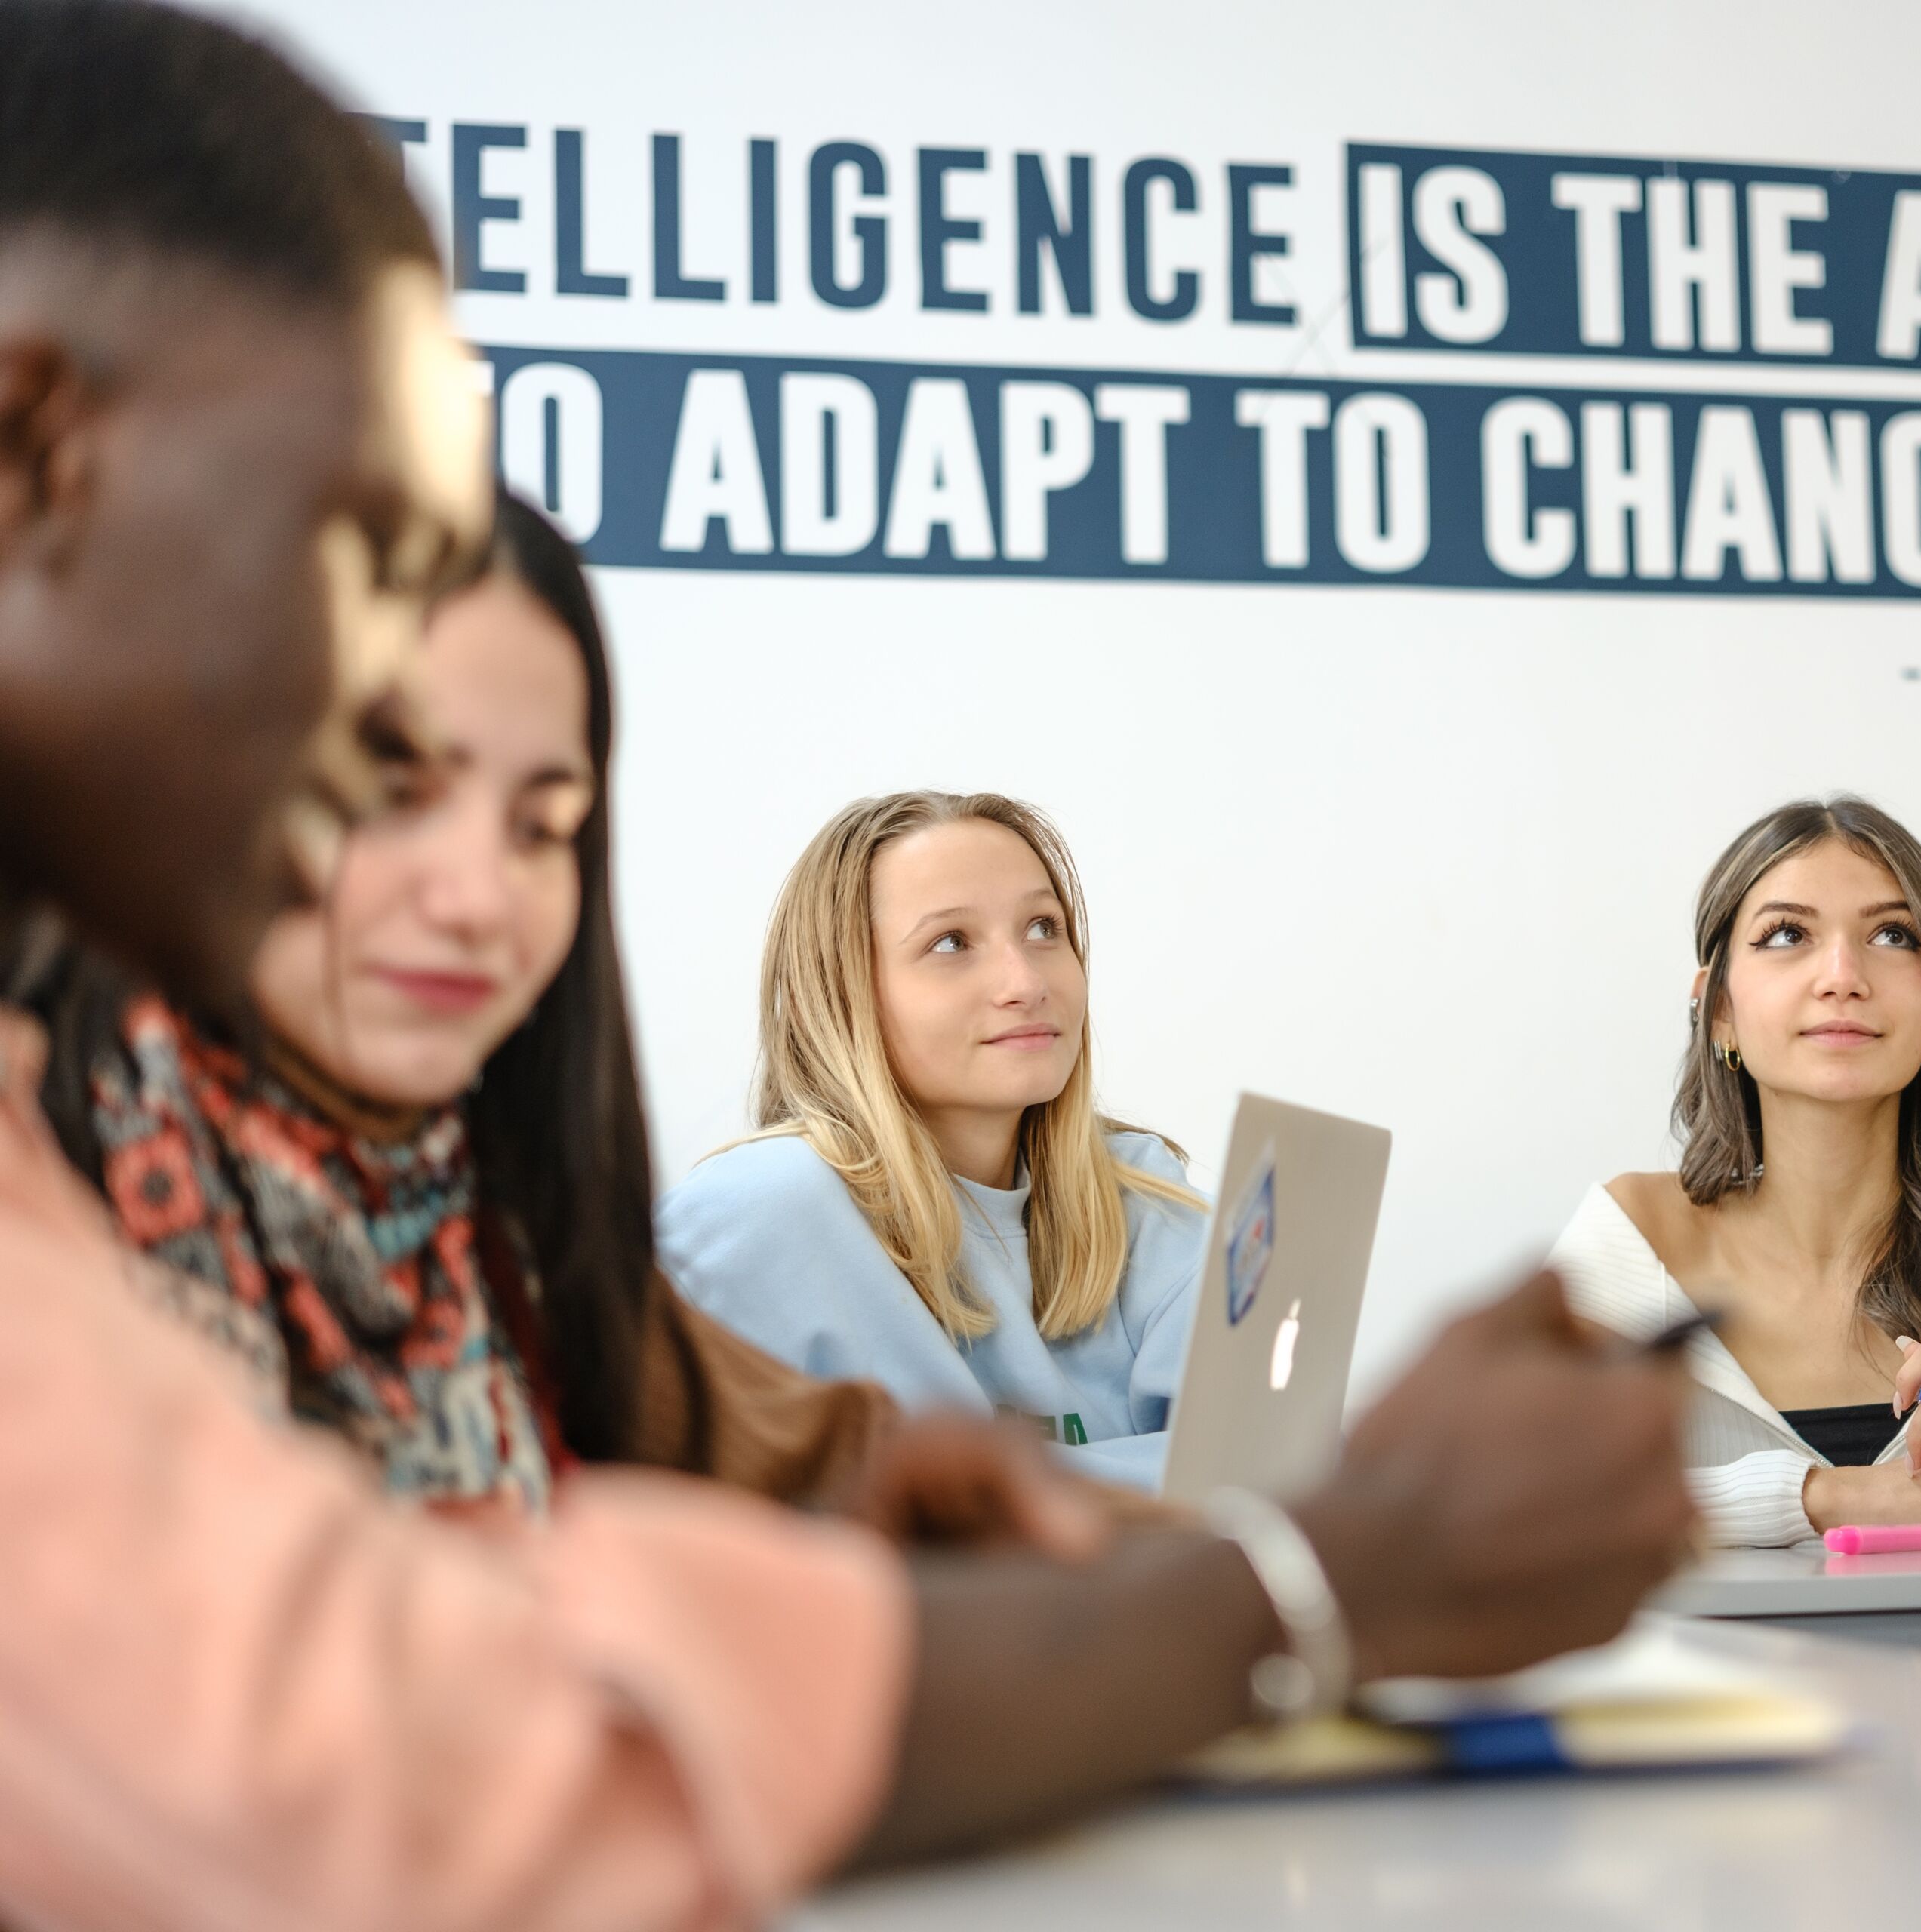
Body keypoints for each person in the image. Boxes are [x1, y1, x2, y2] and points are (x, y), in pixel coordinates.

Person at [0, 5, 1695, 1924]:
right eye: (356, 559)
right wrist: (1319, 1575)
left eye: (546, 820)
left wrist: (916, 1567)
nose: (449, 879)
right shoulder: (735, 1205)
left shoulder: (489, 1233)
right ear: (31, 447)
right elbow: (387, 1767)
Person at [17, 489, 897, 1511]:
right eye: (388, 792)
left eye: (540, 828)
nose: (479, 899)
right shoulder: (41, 1191)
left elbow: (829, 1461)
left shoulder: (508, 1236)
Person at [1547, 797, 1921, 1547]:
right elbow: (1505, 1507)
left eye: (1894, 935)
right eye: (1787, 935)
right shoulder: (1636, 1234)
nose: (1843, 975)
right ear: (1719, 1011)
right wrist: (1823, 1497)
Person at [661, 792, 1201, 1487]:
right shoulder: (756, 1216)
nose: (1026, 982)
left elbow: (1267, 1476)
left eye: (1043, 927)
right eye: (951, 943)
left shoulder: (1141, 1192)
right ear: (841, 993)